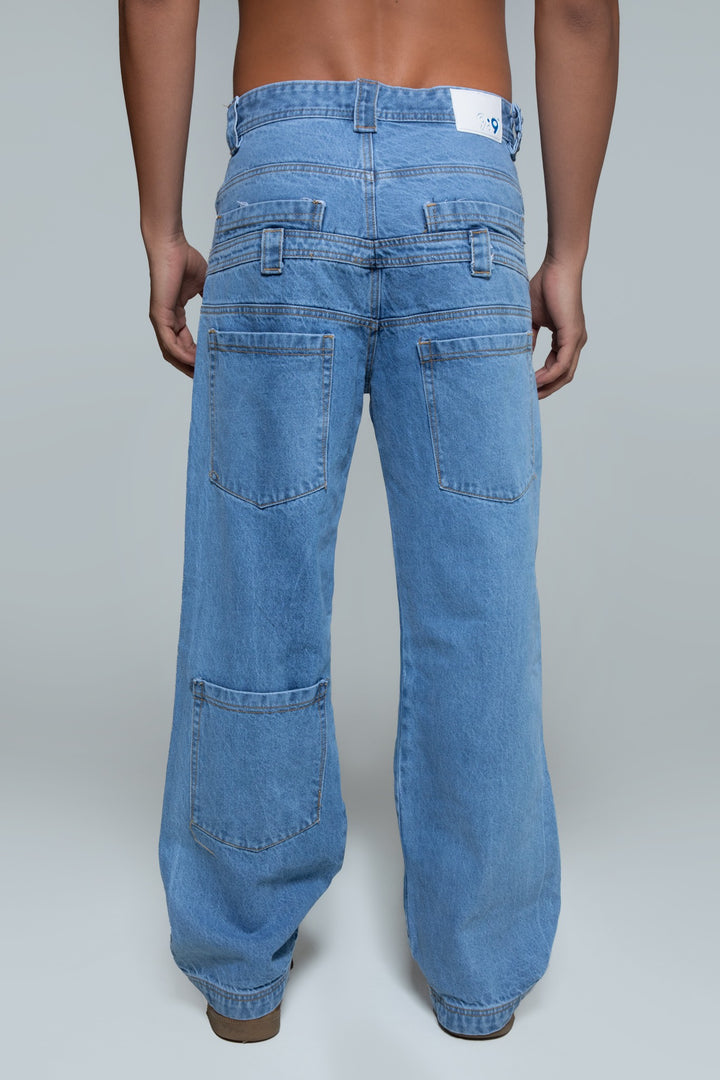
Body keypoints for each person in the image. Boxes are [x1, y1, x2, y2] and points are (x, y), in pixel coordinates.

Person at [119, 0, 619, 1044]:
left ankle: (240, 971)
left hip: (283, 172)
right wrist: (569, 251)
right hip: (462, 179)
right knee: (480, 603)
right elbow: (578, 9)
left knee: (254, 587)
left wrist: (160, 226)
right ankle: (480, 975)